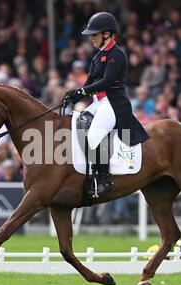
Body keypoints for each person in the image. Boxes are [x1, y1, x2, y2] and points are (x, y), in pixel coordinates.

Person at [63, 12, 149, 197]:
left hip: (113, 104)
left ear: (106, 34)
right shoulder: (98, 56)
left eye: (94, 34)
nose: (91, 38)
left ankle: (104, 180)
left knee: (94, 136)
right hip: (98, 102)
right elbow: (89, 82)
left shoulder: (117, 54)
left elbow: (106, 82)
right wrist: (74, 96)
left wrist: (82, 92)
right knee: (77, 122)